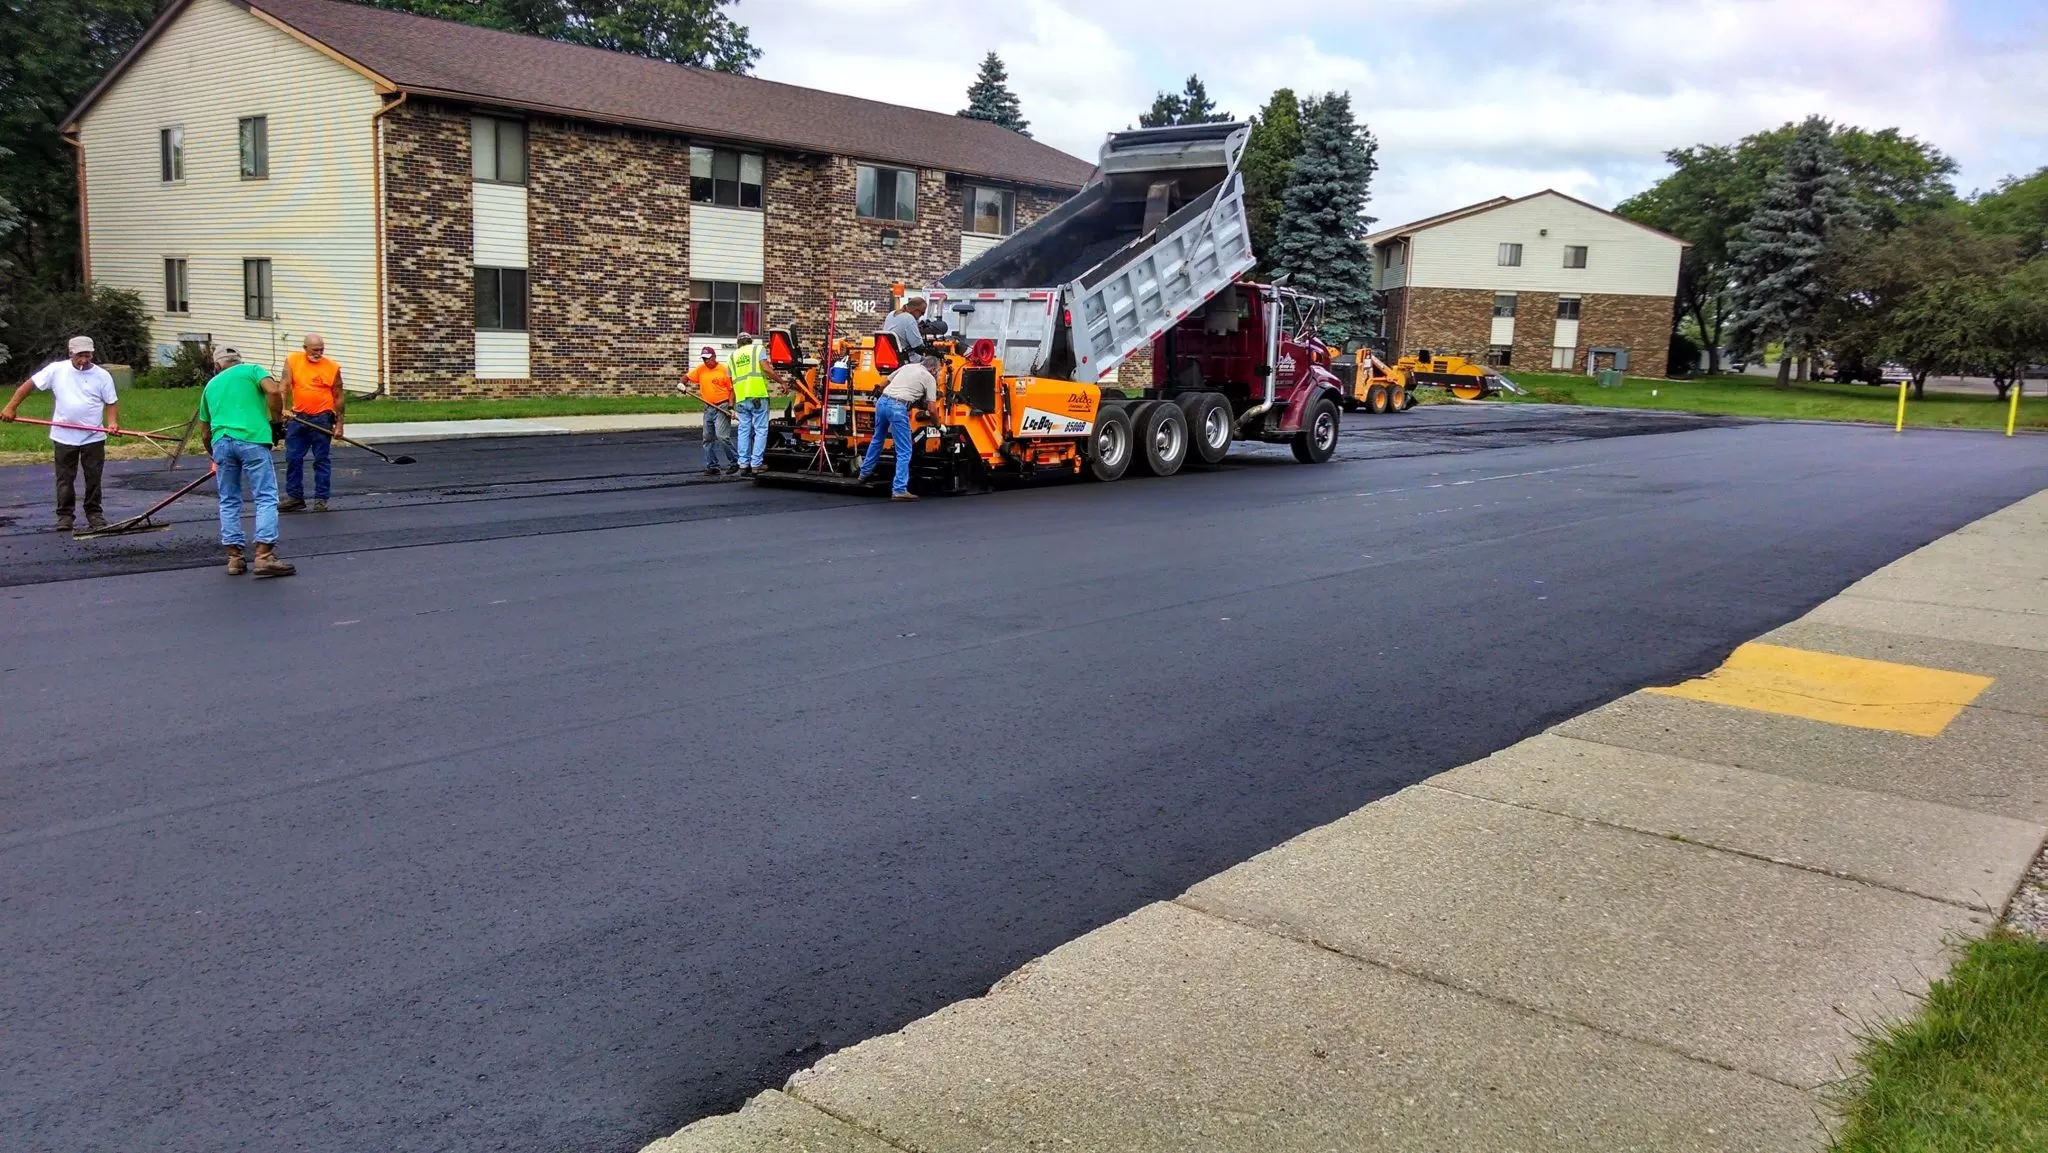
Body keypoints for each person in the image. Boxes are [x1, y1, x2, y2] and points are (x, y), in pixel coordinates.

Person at [1, 336, 121, 533]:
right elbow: (28, 385)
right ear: (71, 354)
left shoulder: (102, 376)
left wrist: (112, 423)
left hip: (94, 436)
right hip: (64, 435)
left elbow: (111, 402)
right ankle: (65, 516)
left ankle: (94, 514)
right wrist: (11, 407)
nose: (84, 360)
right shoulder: (56, 370)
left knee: (93, 477)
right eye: (80, 355)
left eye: (87, 355)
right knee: (65, 478)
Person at [196, 348, 295, 577]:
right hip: (251, 439)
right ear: (238, 361)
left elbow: (204, 432)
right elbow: (273, 391)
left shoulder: (210, 386)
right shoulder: (253, 370)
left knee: (229, 500)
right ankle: (263, 556)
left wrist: (214, 454)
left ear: (218, 365)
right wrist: (277, 422)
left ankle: (235, 558)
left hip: (222, 442)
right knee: (266, 496)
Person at [859, 354, 943, 502]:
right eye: (938, 371)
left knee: (877, 439)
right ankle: (899, 489)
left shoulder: (907, 367)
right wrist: (938, 425)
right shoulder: (929, 378)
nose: (938, 373)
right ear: (933, 369)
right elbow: (932, 408)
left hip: (882, 402)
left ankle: (864, 473)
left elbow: (883, 383)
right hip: (898, 407)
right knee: (904, 449)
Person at [280, 332, 345, 512]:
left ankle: (321, 499)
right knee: (293, 458)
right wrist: (283, 408)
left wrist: (339, 424)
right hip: (298, 417)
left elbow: (339, 396)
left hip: (322, 419)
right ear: (305, 348)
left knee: (321, 460)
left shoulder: (332, 367)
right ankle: (295, 497)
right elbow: (284, 385)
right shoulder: (293, 361)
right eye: (315, 350)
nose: (319, 353)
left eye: (321, 350)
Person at [728, 332, 784, 477]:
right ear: (750, 341)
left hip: (741, 399)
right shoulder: (757, 349)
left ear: (738, 343)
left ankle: (743, 464)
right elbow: (766, 368)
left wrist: (731, 404)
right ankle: (756, 464)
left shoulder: (732, 357)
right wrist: (781, 382)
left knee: (743, 431)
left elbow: (732, 383)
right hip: (757, 396)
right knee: (760, 429)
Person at [684, 345, 738, 476]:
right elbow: (686, 377)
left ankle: (735, 462)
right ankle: (712, 466)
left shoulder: (724, 370)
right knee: (707, 438)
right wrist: (682, 384)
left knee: (722, 436)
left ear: (714, 357)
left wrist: (731, 407)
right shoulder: (701, 369)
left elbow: (732, 390)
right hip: (708, 407)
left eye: (708, 359)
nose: (706, 361)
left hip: (722, 406)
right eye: (703, 359)